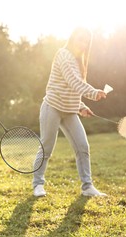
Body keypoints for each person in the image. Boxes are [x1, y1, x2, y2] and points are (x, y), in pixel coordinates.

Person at [32, 27, 107, 198]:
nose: (84, 44)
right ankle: (37, 184)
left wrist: (81, 106)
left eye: (87, 42)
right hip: (52, 106)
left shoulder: (78, 61)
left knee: (82, 146)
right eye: (81, 39)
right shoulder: (63, 54)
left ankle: (87, 187)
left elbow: (71, 90)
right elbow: (72, 81)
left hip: (70, 111)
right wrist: (94, 93)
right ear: (73, 38)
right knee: (47, 147)